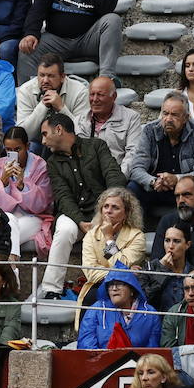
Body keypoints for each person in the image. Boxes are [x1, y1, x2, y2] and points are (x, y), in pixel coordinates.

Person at [38, 112, 126, 299]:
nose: (43, 141)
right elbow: (62, 196)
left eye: (45, 134)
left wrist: (104, 211)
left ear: (59, 130)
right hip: (74, 215)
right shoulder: (52, 162)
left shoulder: (96, 146)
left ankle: (115, 284)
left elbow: (114, 175)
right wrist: (80, 222)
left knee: (109, 232)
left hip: (104, 211)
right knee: (64, 229)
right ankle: (51, 288)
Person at [127, 94, 194, 225]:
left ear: (186, 118)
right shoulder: (150, 130)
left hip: (184, 190)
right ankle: (134, 232)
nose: (168, 119)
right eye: (165, 114)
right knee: (133, 187)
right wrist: (153, 181)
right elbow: (136, 168)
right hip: (155, 188)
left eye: (175, 115)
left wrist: (177, 179)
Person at [0, 126, 51, 257]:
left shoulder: (40, 165)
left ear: (27, 146)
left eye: (18, 149)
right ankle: (13, 270)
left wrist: (22, 185)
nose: (14, 154)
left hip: (33, 217)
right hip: (5, 218)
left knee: (5, 235)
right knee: (9, 222)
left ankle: (8, 270)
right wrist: (4, 182)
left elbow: (41, 206)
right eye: (8, 150)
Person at [77, 264, 160, 349]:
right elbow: (86, 345)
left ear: (132, 289)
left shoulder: (150, 313)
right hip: (102, 360)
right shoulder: (96, 310)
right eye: (110, 285)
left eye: (119, 284)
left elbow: (152, 350)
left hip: (138, 361)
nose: (114, 288)